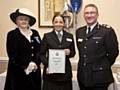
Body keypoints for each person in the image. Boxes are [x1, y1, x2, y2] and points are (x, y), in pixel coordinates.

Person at [76, 4, 119, 90]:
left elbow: (113, 53)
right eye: (86, 13)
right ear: (84, 15)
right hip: (83, 77)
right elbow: (82, 52)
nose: (89, 15)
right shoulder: (79, 32)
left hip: (100, 78)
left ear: (97, 15)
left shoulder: (106, 31)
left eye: (92, 13)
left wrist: (102, 65)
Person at [4, 8, 41, 90]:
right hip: (18, 74)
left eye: (26, 19)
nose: (23, 21)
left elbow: (39, 50)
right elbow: (12, 55)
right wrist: (26, 65)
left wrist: (36, 63)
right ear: (16, 21)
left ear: (29, 21)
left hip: (34, 73)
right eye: (21, 19)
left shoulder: (35, 33)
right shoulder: (12, 35)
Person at [39, 14, 75, 90]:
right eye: (56, 22)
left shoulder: (69, 36)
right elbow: (41, 54)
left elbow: (73, 52)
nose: (58, 24)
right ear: (53, 23)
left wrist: (69, 52)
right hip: (51, 75)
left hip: (65, 75)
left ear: (64, 24)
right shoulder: (47, 36)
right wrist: (48, 65)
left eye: (61, 22)